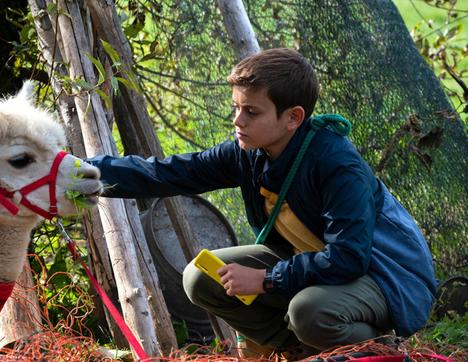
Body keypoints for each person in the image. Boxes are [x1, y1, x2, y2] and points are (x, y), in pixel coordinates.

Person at [86, 48, 437, 357]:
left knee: (309, 312)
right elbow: (170, 173)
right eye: (236, 108)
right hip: (314, 263)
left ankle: (377, 347)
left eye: (252, 112)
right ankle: (300, 350)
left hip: (383, 276)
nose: (237, 121)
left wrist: (268, 279)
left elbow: (348, 257)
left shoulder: (337, 166)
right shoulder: (249, 152)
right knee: (200, 277)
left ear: (293, 118)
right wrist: (87, 173)